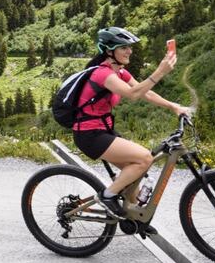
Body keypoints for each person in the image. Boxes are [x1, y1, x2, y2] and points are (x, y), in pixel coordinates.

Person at [73, 27, 191, 218]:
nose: (130, 51)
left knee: (134, 182)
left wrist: (174, 106)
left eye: (129, 47)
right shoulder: (103, 74)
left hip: (104, 131)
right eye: (123, 47)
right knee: (145, 158)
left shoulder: (120, 72)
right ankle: (107, 196)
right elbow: (133, 95)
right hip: (90, 135)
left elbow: (146, 92)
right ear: (109, 51)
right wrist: (160, 71)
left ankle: (131, 220)